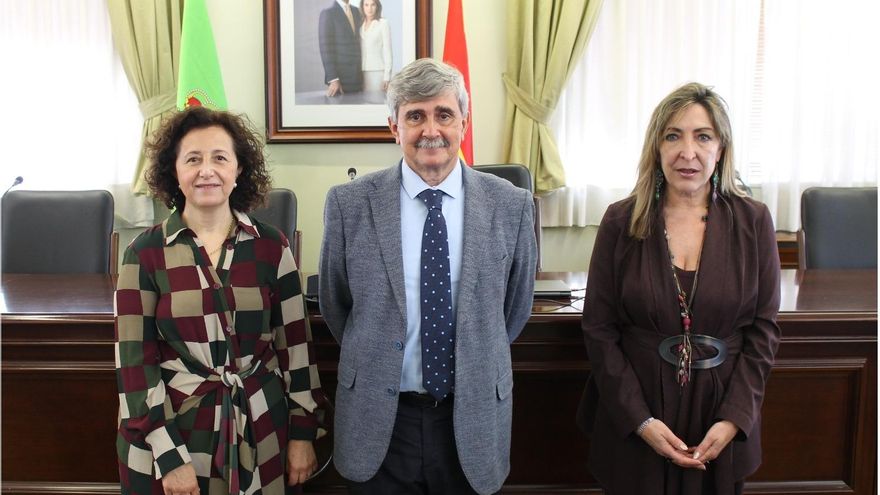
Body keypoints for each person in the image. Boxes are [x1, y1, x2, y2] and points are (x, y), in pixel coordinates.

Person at [319, 58, 537, 494]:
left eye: (443, 114)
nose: (430, 129)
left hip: (470, 414)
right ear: (393, 127)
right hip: (382, 421)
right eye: (414, 116)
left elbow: (513, 310)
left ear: (463, 124)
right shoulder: (349, 205)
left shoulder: (511, 205)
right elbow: (336, 304)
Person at [576, 83, 781, 495]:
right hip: (637, 414)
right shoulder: (620, 221)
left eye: (702, 136)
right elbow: (599, 329)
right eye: (673, 136)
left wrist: (734, 418)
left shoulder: (754, 221)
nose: (688, 152)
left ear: (721, 149)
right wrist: (640, 421)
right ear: (657, 147)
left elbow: (764, 330)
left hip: (719, 416)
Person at [115, 106, 325, 495]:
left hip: (262, 425)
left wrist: (302, 433)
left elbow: (296, 349)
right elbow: (134, 365)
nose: (206, 170)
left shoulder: (271, 246)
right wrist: (168, 455)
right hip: (173, 433)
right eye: (192, 159)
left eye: (219, 158)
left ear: (238, 169)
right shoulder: (143, 253)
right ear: (173, 170)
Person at [319, 0, 363, 97]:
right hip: (341, 80)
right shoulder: (328, 13)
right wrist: (333, 79)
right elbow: (325, 48)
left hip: (359, 78)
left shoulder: (357, 11)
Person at [359, 0, 392, 93]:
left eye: (373, 5)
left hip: (377, 71)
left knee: (376, 101)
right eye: (366, 5)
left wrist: (387, 77)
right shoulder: (360, 24)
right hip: (360, 72)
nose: (369, 9)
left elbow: (387, 51)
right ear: (362, 7)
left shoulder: (383, 23)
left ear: (377, 6)